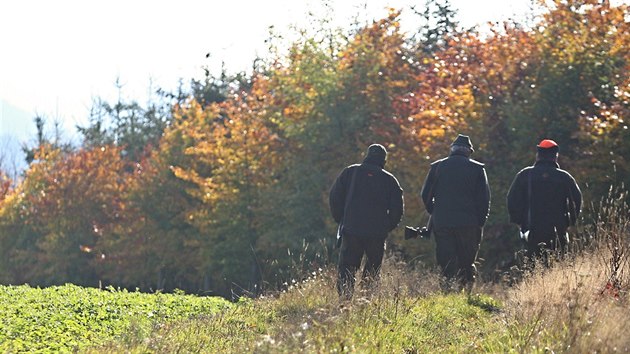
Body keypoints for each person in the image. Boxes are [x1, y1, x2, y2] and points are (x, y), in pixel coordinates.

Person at [329, 144, 404, 300]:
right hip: (377, 233)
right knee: (372, 270)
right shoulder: (390, 180)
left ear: (367, 155)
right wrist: (386, 227)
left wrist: (341, 219)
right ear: (384, 159)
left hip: (351, 230)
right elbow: (397, 209)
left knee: (347, 267)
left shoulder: (350, 172)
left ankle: (345, 301)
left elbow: (334, 197)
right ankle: (366, 301)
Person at [421, 134, 490, 292]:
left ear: (452, 150)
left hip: (443, 222)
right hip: (469, 223)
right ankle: (465, 293)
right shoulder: (478, 169)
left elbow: (425, 195)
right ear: (469, 151)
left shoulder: (437, 166)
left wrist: (434, 211)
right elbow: (484, 200)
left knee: (446, 259)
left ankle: (447, 293)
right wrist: (480, 222)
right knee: (466, 261)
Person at [507, 139, 582, 267]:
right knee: (557, 265)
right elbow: (577, 199)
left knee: (533, 266)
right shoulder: (564, 177)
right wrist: (570, 222)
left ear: (538, 155)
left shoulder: (525, 174)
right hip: (558, 229)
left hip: (531, 229)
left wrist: (519, 221)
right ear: (555, 156)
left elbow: (511, 198)